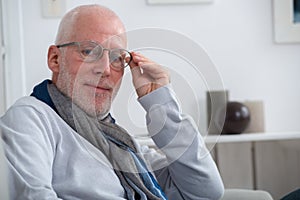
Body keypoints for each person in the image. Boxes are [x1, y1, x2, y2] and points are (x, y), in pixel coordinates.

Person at [0, 4, 224, 200]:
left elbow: (206, 191)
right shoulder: (30, 118)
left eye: (117, 58)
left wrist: (160, 102)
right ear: (55, 59)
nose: (106, 69)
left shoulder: (121, 145)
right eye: (88, 51)